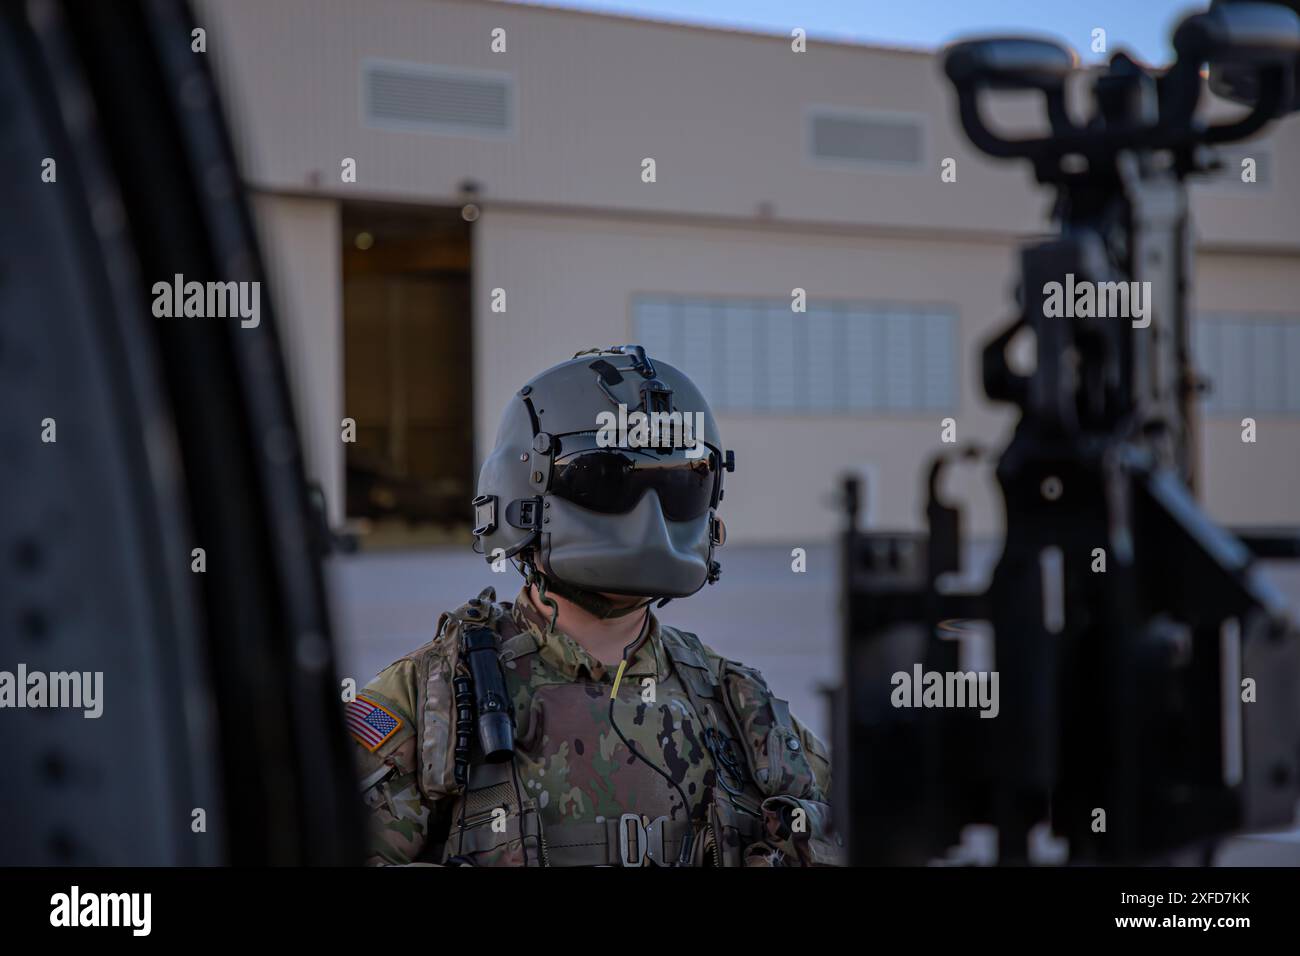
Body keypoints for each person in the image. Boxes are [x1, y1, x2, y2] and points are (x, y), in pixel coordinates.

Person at [348, 345, 841, 866]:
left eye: (679, 482)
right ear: (522, 499)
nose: (649, 519)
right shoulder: (438, 698)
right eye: (607, 479)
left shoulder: (737, 705)